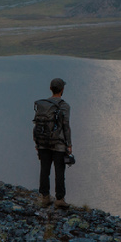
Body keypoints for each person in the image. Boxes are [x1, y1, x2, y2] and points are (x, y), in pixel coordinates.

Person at [35, 77, 72, 208]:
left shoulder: (43, 104)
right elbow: (66, 126)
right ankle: (59, 199)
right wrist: (69, 144)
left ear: (50, 88)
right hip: (59, 144)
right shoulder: (64, 106)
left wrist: (37, 143)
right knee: (59, 171)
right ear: (62, 90)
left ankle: (45, 197)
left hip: (43, 143)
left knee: (44, 170)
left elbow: (38, 124)